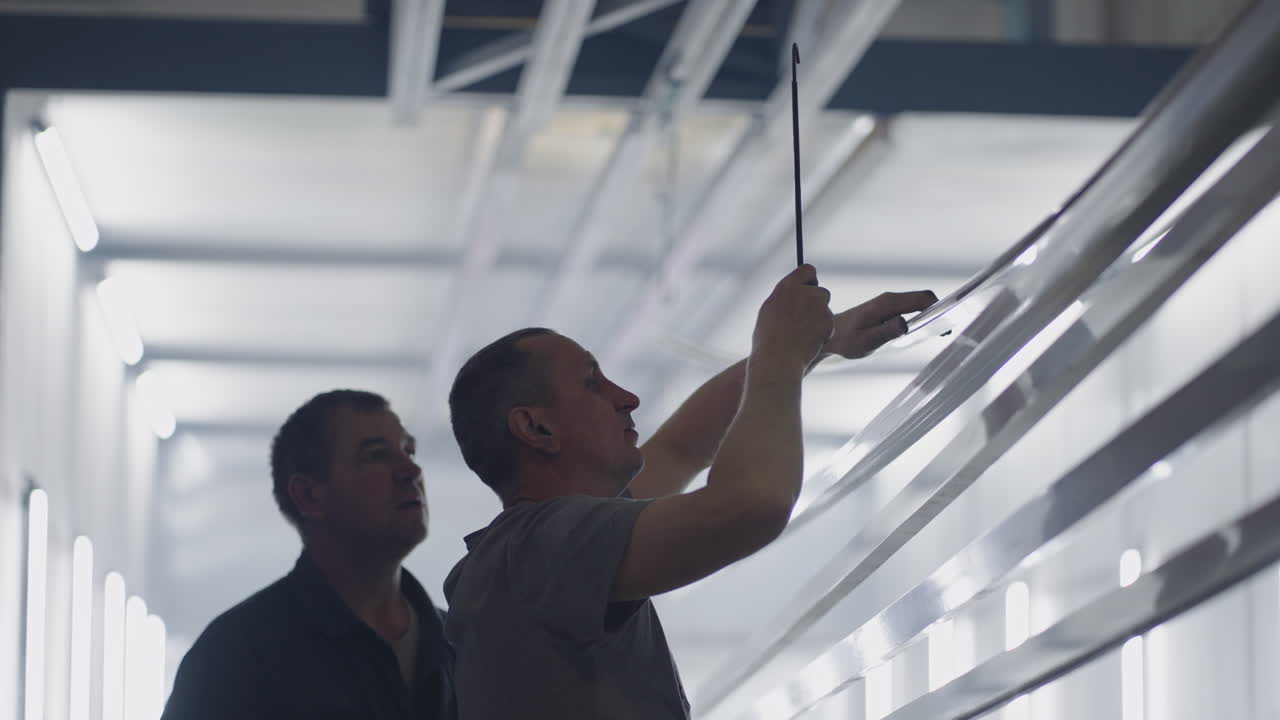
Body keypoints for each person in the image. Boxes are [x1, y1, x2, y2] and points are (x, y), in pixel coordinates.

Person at [443, 265, 936, 719]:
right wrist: (781, 350)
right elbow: (752, 503)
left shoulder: (533, 555)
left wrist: (819, 341)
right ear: (535, 427)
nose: (627, 397)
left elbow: (682, 447)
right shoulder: (544, 546)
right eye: (594, 384)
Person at [162, 390, 455, 719]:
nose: (411, 471)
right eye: (375, 455)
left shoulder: (458, 642)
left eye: (408, 451)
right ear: (309, 495)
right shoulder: (236, 654)